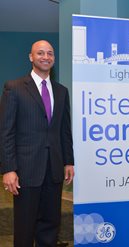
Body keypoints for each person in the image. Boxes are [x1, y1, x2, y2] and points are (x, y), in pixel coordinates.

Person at [0, 40, 74, 247]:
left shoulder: (61, 91)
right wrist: (8, 169)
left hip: (54, 169)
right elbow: (6, 132)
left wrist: (68, 161)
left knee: (50, 224)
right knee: (25, 226)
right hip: (26, 170)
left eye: (50, 53)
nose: (46, 57)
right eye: (40, 53)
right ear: (31, 57)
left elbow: (64, 130)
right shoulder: (13, 88)